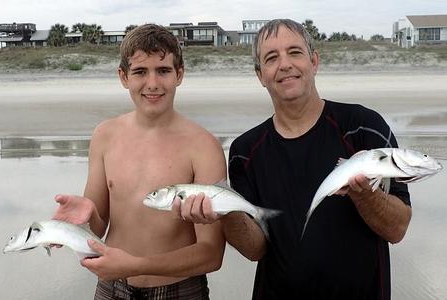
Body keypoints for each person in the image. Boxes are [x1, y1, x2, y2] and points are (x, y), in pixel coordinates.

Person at [175, 19, 412, 299]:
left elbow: (397, 228)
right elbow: (255, 249)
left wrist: (363, 193)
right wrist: (226, 212)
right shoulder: (245, 150)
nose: (285, 64)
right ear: (260, 74)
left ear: (314, 61)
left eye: (295, 52)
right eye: (271, 58)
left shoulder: (363, 127)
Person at [52, 24, 226, 300]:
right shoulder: (104, 136)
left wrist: (134, 265)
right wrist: (83, 217)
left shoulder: (203, 146)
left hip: (180, 291)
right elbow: (95, 229)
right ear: (123, 76)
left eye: (164, 70)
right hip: (112, 288)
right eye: (140, 72)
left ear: (179, 74)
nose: (153, 83)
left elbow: (211, 255)